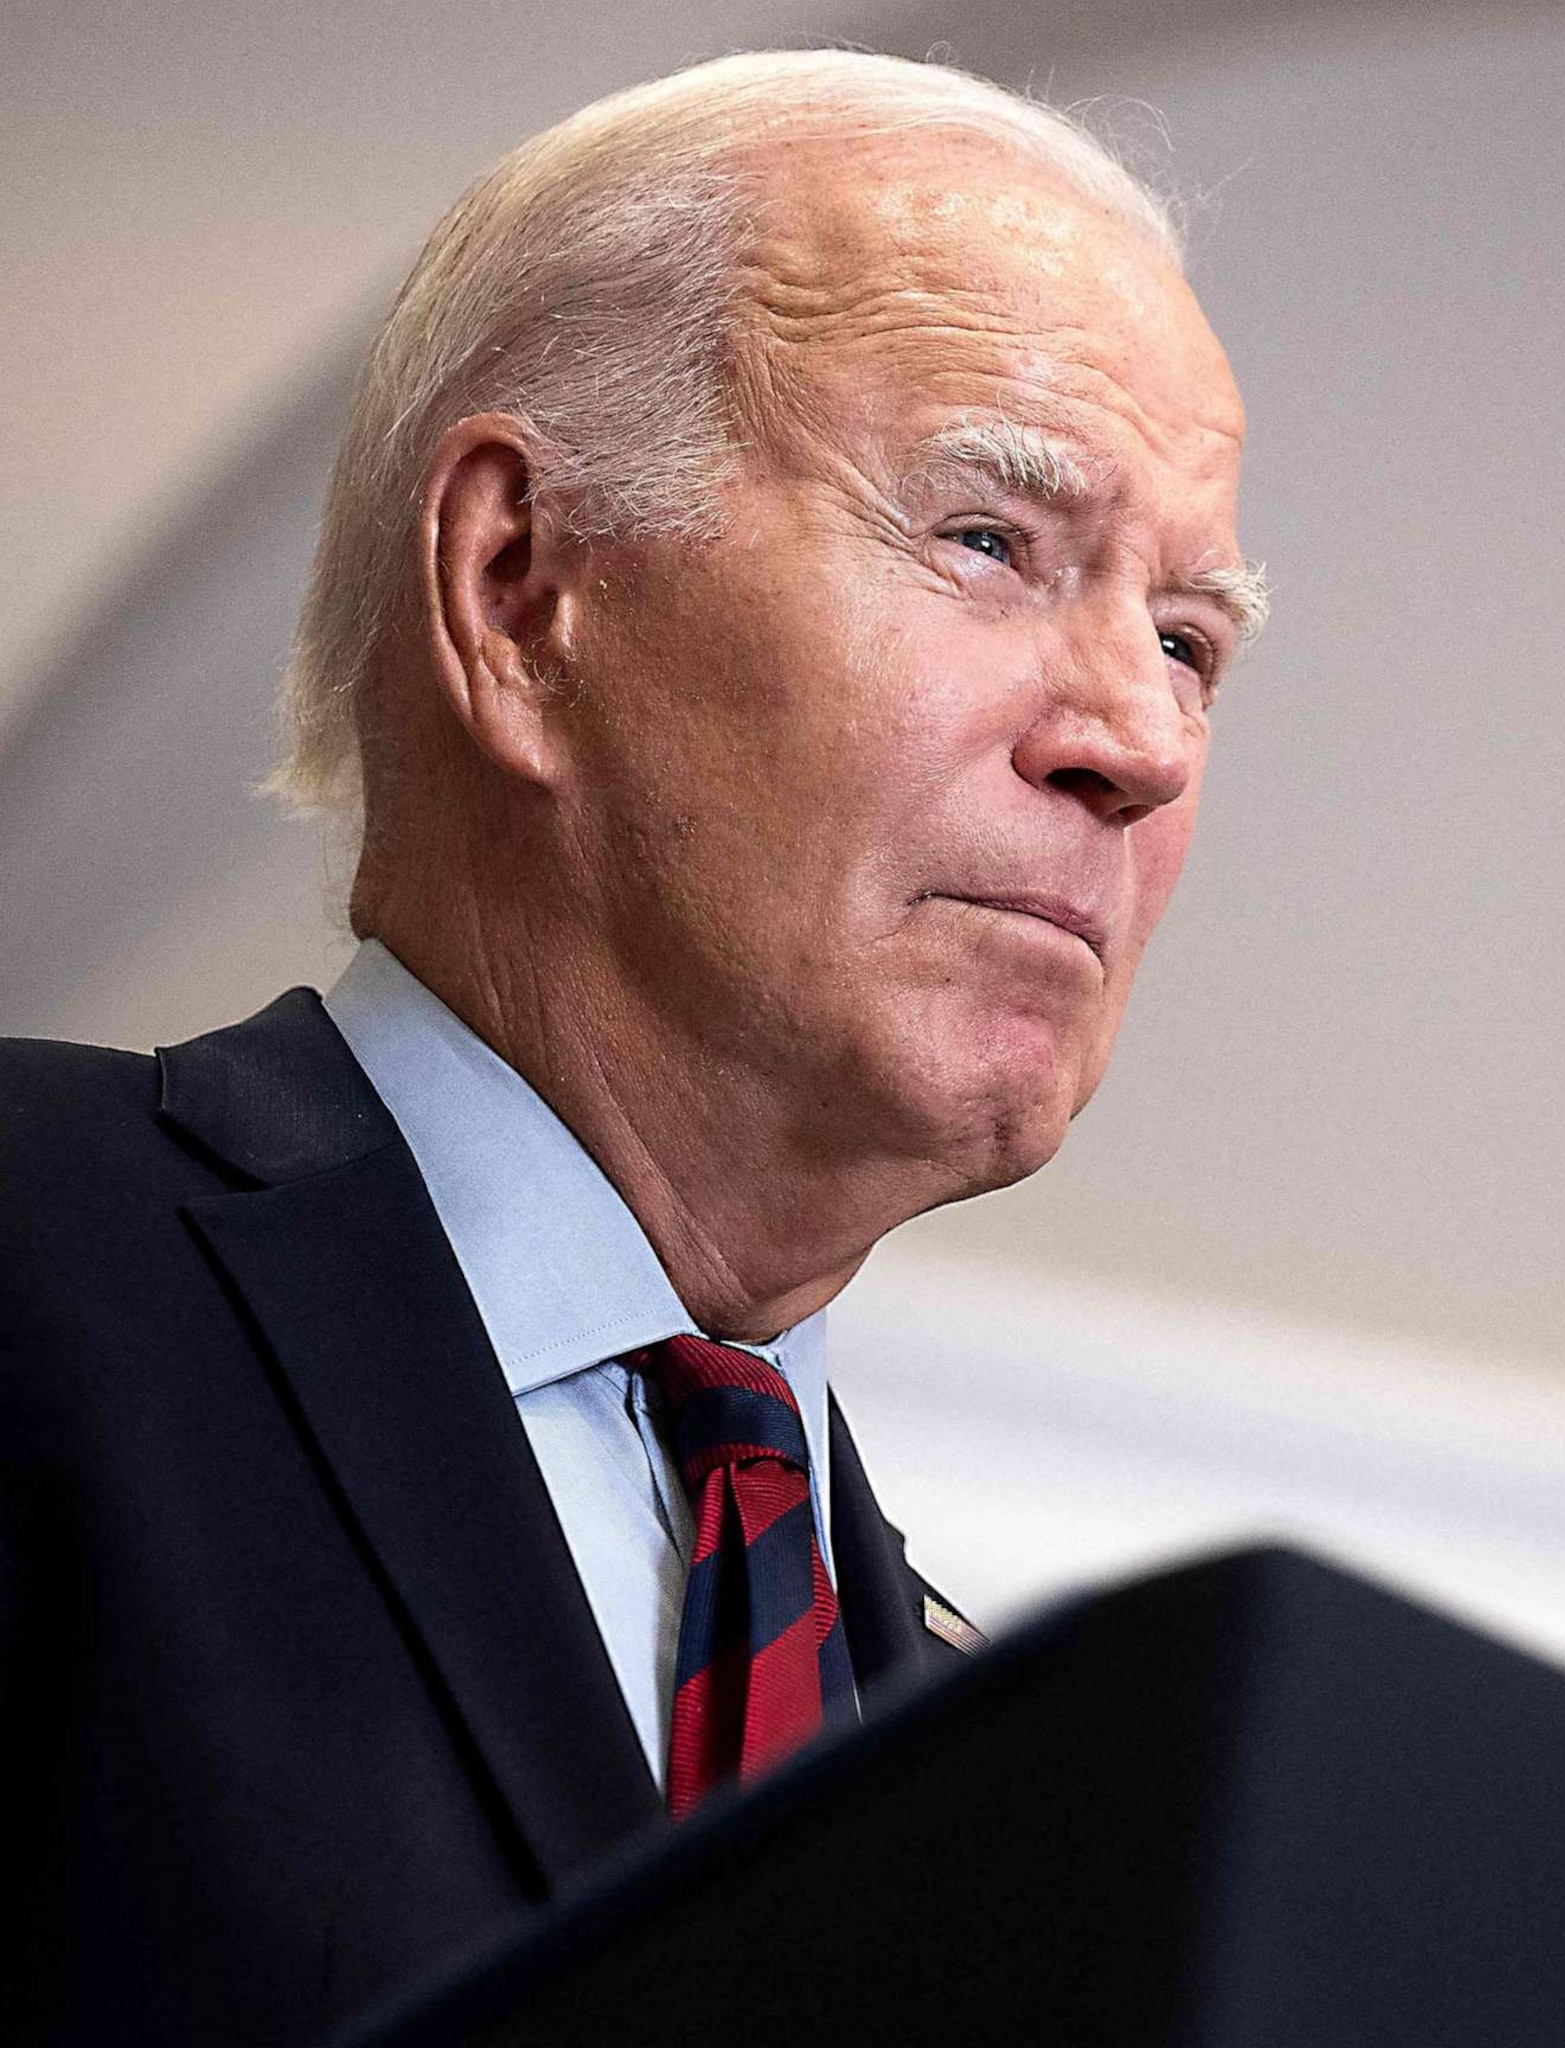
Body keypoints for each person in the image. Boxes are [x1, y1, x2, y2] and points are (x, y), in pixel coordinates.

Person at [0, 49, 1264, 2045]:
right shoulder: (35, 1256)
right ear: (520, 588)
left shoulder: (975, 1780)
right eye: (988, 542)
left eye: (1192, 636)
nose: (1142, 740)